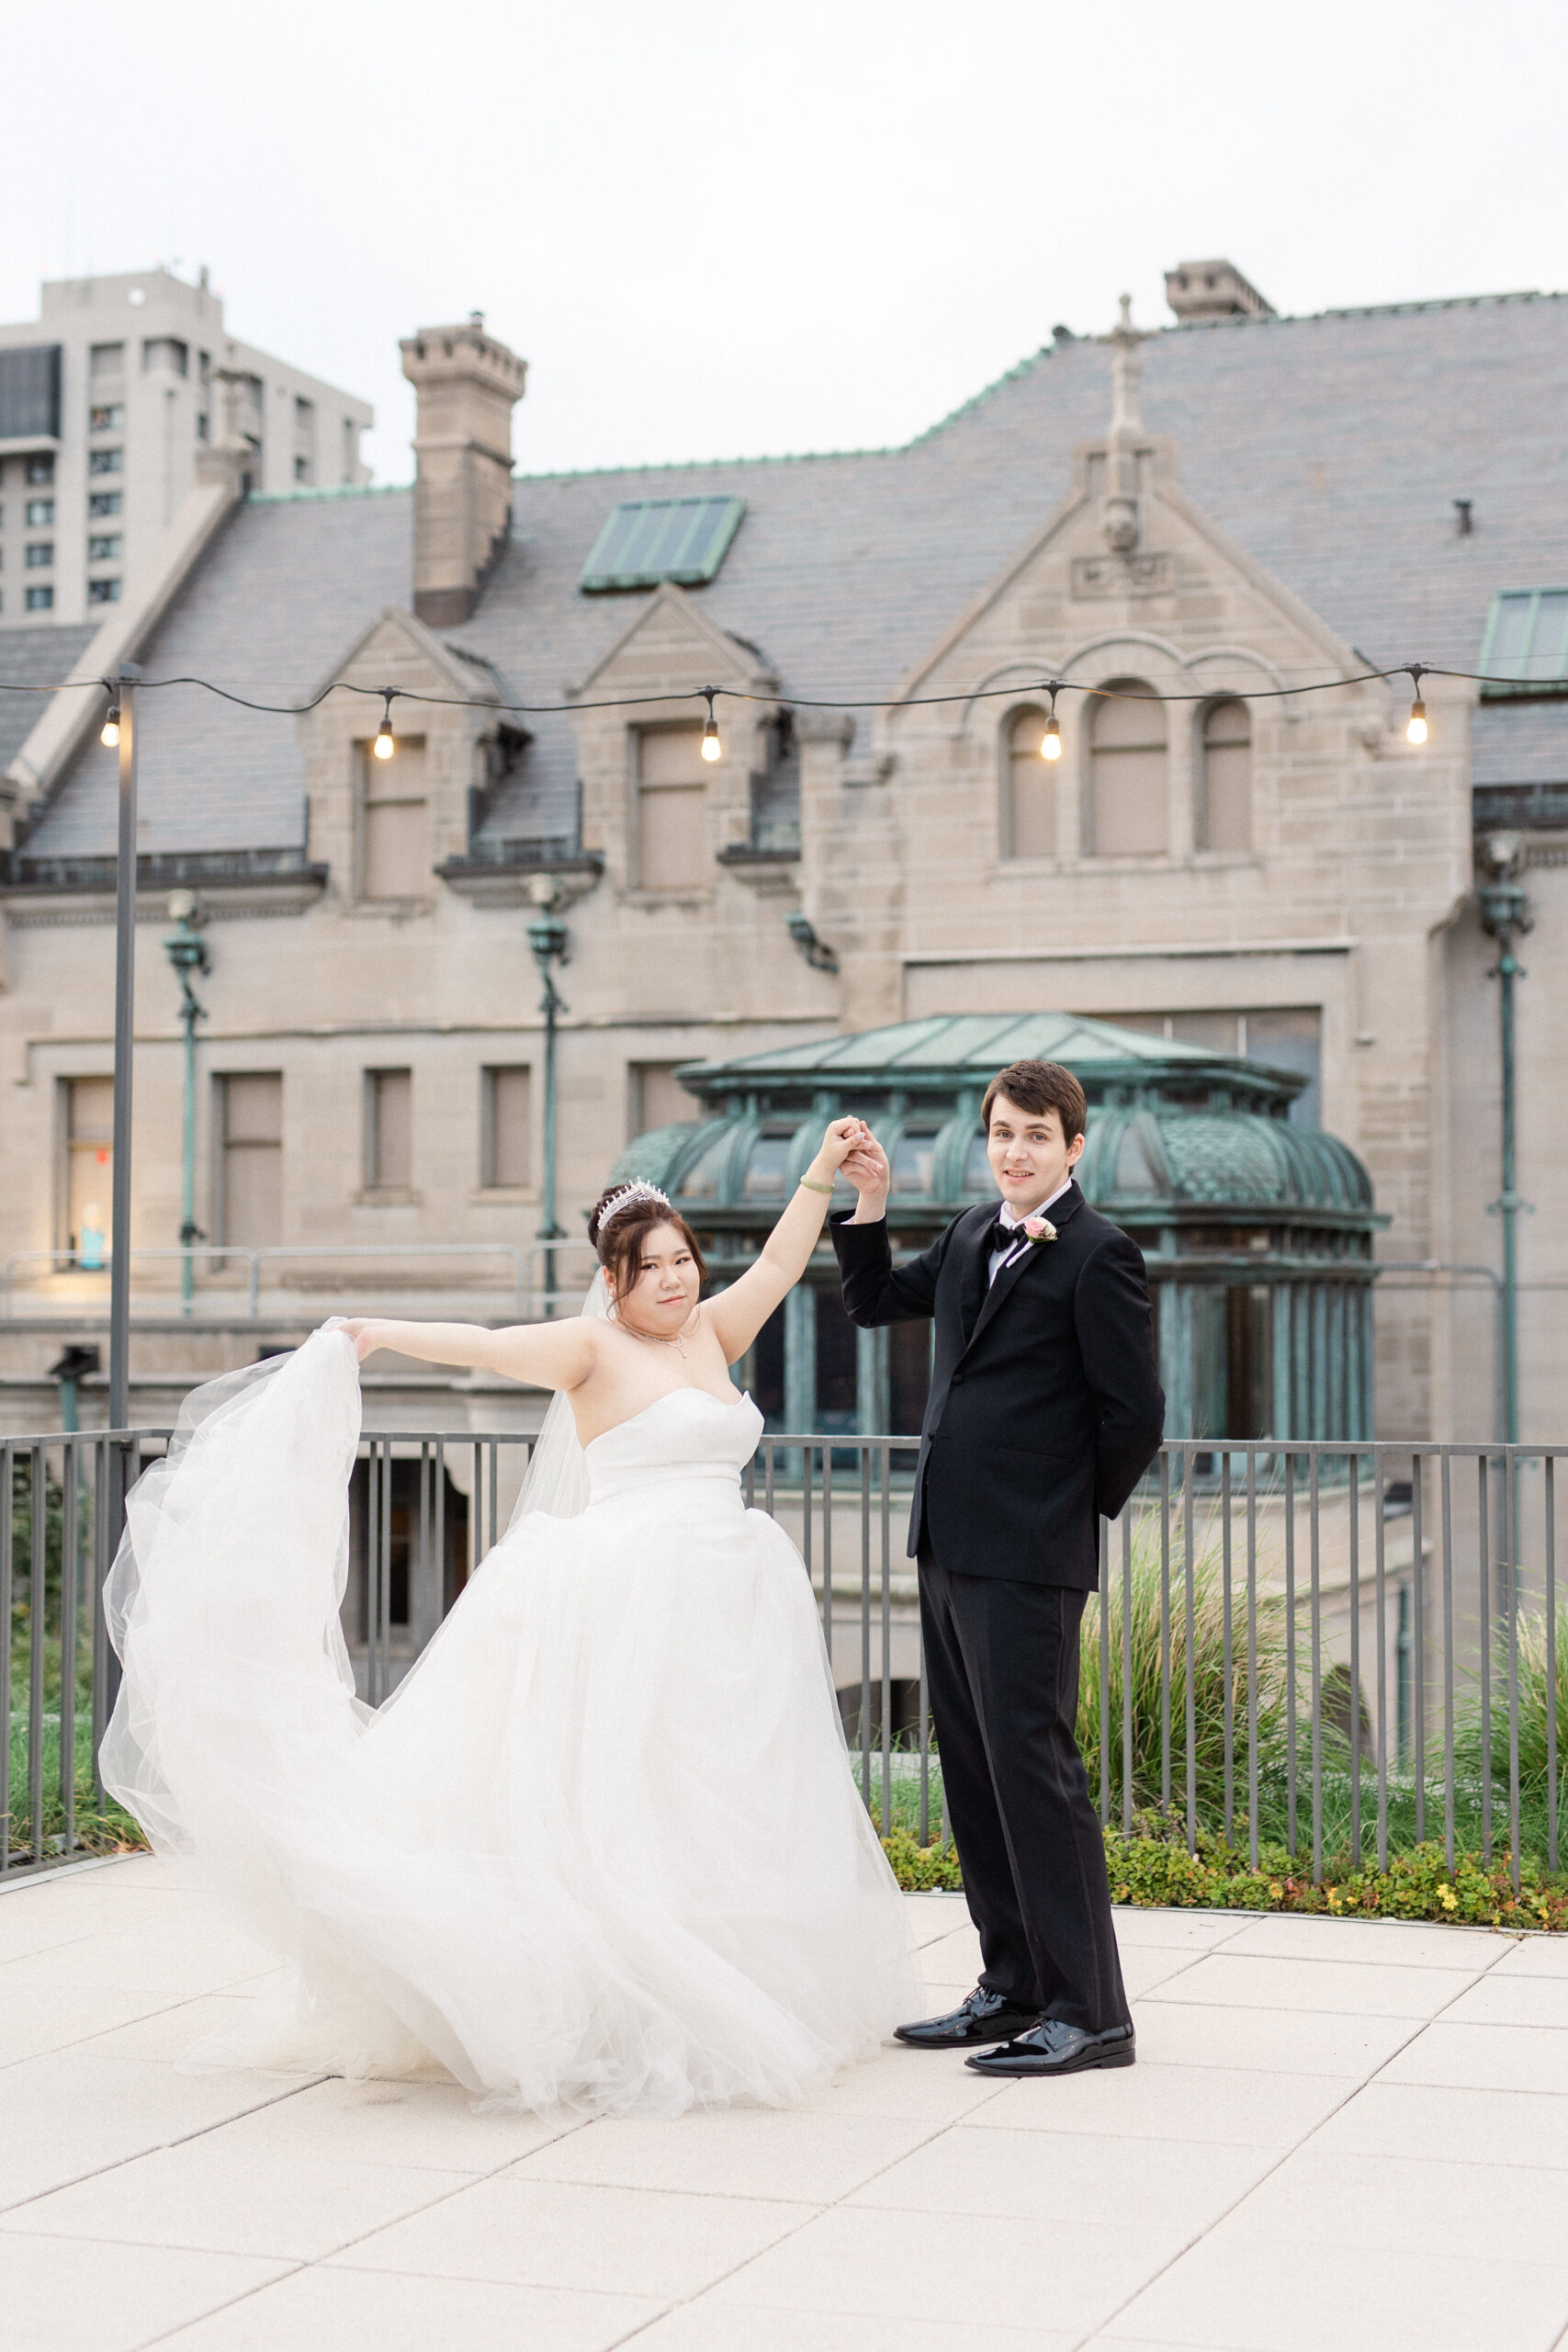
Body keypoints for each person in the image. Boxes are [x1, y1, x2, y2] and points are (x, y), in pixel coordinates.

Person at [102, 1116, 919, 2117]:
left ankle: (724, 1970)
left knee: (720, 1802)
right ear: (612, 1281)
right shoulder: (590, 1348)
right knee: (626, 1803)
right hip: (632, 1595)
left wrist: (824, 1172)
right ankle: (620, 2000)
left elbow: (791, 1258)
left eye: (683, 1261)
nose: (674, 1280)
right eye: (650, 1267)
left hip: (730, 1599)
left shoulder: (715, 1331)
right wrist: (383, 1332)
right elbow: (488, 1347)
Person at [831, 1059, 1164, 2079]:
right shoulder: (975, 1230)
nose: (1014, 1150)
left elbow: (1134, 1417)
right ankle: (1013, 1983)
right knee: (973, 1769)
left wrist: (1060, 1515)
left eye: (1034, 1134)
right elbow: (875, 1300)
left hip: (1028, 1553)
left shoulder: (1101, 1254)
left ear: (1073, 1145)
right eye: (1001, 1133)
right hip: (949, 1540)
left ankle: (1091, 2010)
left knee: (1036, 1771)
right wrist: (871, 1203)